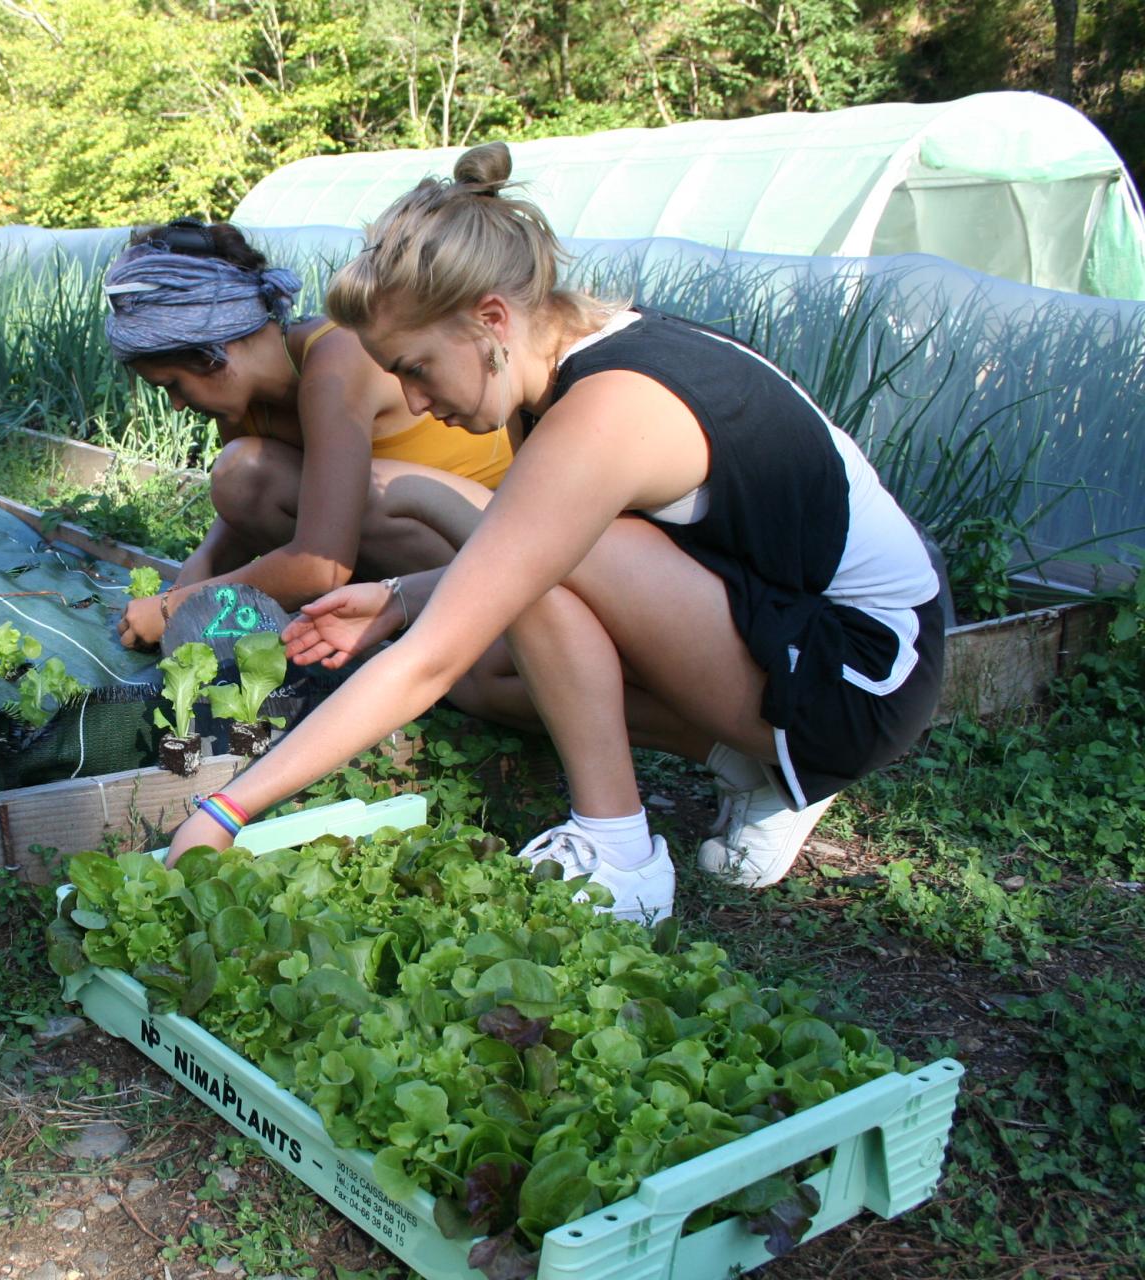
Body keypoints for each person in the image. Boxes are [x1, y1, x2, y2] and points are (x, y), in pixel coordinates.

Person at [166, 143, 945, 919]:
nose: (412, 397)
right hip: (786, 622)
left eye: (416, 367)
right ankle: (752, 763)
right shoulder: (562, 365)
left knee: (522, 576)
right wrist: (400, 598)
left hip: (864, 672)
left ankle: (621, 859)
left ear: (492, 320)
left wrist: (227, 812)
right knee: (495, 664)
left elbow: (432, 660)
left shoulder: (608, 410)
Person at [105, 220, 516, 650]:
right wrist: (178, 595)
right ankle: (376, 620)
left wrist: (182, 607)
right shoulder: (241, 406)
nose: (176, 404)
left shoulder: (333, 362)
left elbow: (322, 565)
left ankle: (444, 627)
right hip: (412, 554)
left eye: (173, 384)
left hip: (485, 536)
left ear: (215, 354)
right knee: (243, 476)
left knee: (267, 477)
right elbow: (234, 527)